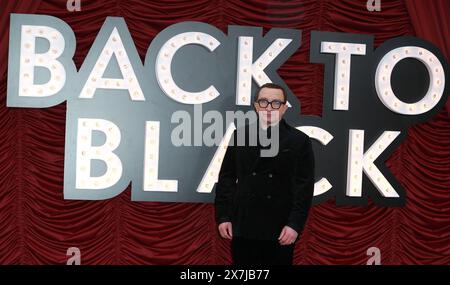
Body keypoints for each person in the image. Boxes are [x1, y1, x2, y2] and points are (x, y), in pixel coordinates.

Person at [214, 82, 315, 265]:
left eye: (276, 103)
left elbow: (304, 188)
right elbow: (227, 178)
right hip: (244, 225)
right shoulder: (240, 135)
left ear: (284, 108)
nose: (269, 108)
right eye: (264, 102)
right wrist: (224, 216)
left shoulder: (299, 140)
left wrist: (294, 225)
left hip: (280, 228)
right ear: (256, 106)